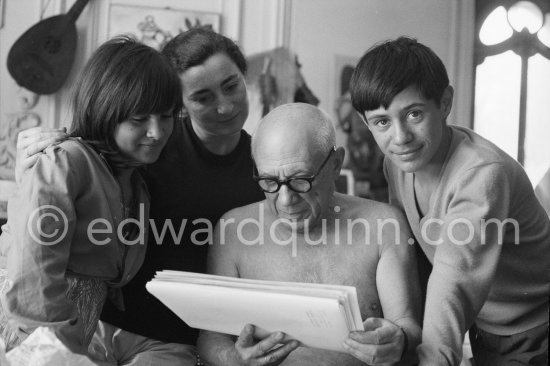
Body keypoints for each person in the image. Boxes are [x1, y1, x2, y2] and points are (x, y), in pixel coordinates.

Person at [14, 28, 265, 365]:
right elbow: (38, 253)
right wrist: (30, 171)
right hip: (83, 326)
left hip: (175, 341)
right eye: (202, 97)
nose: (224, 107)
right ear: (182, 104)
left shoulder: (267, 169)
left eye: (232, 86)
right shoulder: (140, 151)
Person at [349, 36, 550, 365]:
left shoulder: (481, 172)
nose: (400, 138)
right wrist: (403, 332)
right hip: (483, 327)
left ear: (444, 102)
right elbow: (410, 253)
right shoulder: (397, 163)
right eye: (382, 122)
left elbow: (453, 276)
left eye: (414, 114)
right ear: (366, 123)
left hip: (536, 329)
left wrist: (431, 356)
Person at [198, 103, 422, 366]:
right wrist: (233, 358)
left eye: (300, 180)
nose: (285, 200)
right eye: (269, 182)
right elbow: (210, 336)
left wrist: (399, 339)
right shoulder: (233, 231)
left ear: (336, 164)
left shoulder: (383, 224)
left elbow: (409, 325)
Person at [0, 36, 181, 354]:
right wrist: (54, 344)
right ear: (105, 114)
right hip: (30, 329)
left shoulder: (135, 182)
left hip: (73, 332)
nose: (157, 131)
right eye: (139, 119)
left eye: (166, 116)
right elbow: (33, 266)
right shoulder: (66, 161)